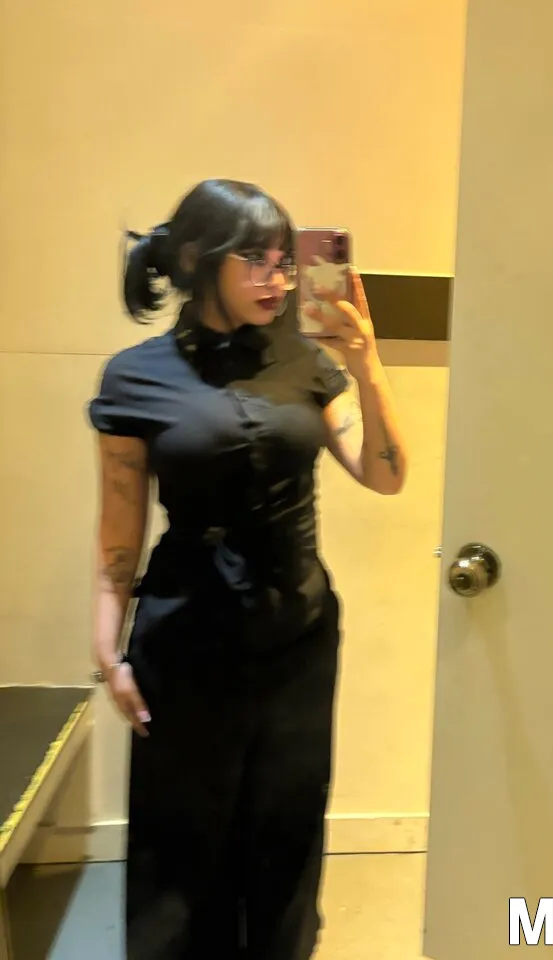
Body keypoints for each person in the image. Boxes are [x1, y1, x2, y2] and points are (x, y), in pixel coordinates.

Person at [87, 178, 407, 960]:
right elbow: (119, 526)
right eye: (256, 261)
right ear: (199, 259)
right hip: (184, 636)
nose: (279, 279)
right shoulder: (135, 377)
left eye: (284, 261)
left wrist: (366, 364)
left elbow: (385, 474)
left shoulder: (307, 363)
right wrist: (107, 649)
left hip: (297, 634)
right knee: (183, 833)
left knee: (286, 825)